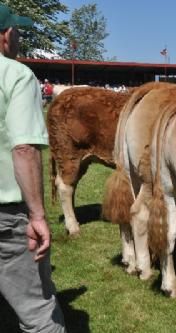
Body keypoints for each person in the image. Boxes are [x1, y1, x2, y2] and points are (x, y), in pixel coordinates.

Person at [0, 4, 66, 332]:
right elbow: (24, 148)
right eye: (17, 30)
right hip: (6, 216)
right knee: (39, 314)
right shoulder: (15, 74)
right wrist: (37, 215)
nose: (20, 37)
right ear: (5, 35)